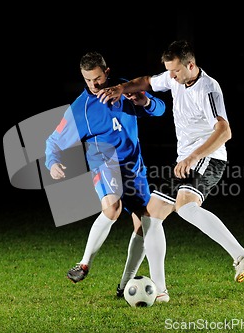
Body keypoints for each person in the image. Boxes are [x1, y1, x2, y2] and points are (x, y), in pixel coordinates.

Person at [97, 40, 244, 297]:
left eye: (175, 71)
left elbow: (224, 130)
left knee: (186, 207)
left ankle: (241, 255)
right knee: (150, 216)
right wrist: (121, 88)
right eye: (169, 71)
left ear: (191, 65)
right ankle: (159, 290)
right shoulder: (175, 79)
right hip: (185, 161)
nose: (171, 76)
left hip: (209, 157)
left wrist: (193, 157)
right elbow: (148, 81)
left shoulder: (208, 89)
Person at [44, 51, 171, 302]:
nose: (94, 85)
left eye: (98, 78)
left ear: (107, 72)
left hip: (133, 166)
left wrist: (145, 102)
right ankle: (84, 264)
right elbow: (54, 142)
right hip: (104, 162)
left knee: (145, 223)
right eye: (88, 80)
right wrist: (52, 163)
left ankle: (125, 286)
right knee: (113, 207)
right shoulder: (81, 109)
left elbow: (161, 110)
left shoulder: (126, 89)